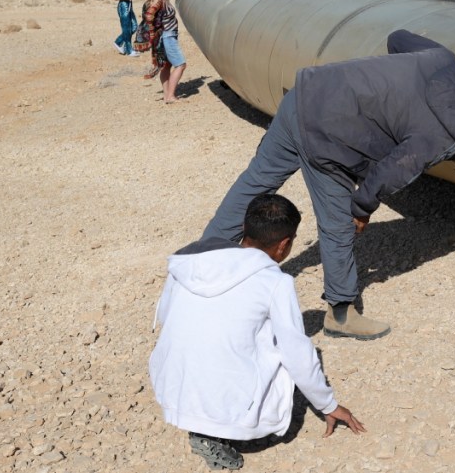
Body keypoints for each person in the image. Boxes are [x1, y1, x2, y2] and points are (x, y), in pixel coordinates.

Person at [202, 30, 455, 340]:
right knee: (338, 222)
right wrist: (362, 208)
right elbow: (394, 169)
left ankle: (204, 261)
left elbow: (398, 37)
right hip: (330, 137)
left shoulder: (443, 59)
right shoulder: (444, 134)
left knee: (255, 183)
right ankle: (340, 313)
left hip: (306, 95)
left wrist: (389, 91)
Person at [149, 194, 365, 470]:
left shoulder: (188, 259)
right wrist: (328, 405)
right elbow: (297, 352)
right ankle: (215, 430)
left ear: (245, 227)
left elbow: (167, 315)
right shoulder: (274, 282)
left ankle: (200, 412)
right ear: (284, 245)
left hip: (171, 384)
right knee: (277, 350)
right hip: (219, 399)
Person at [143, 0, 187, 104]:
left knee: (166, 66)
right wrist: (153, 32)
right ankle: (170, 96)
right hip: (167, 36)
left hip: (166, 35)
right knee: (181, 64)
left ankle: (167, 95)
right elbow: (149, 15)